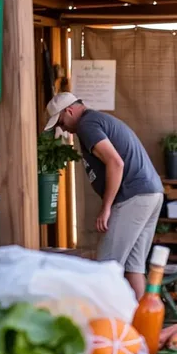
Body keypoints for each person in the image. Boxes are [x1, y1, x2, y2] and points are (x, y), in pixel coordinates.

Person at [44, 92, 164, 299]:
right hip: (151, 194)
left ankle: (106, 322)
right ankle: (142, 324)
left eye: (61, 122)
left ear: (69, 111)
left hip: (133, 196)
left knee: (106, 267)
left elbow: (115, 163)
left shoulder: (87, 125)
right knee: (134, 267)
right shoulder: (98, 120)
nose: (62, 128)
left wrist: (106, 207)